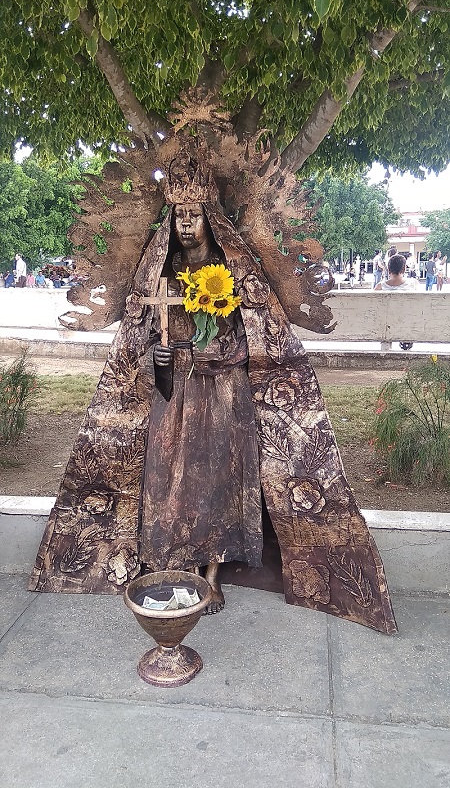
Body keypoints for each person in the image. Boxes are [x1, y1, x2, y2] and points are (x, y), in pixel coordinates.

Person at [28, 162, 397, 634]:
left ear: (210, 217)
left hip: (224, 394)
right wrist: (160, 359)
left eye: (194, 214)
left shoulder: (234, 273)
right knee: (167, 478)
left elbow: (261, 338)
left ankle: (212, 575)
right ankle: (174, 562)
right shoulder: (160, 272)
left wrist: (219, 352)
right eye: (178, 214)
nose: (186, 223)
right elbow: (139, 343)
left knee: (219, 479)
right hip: (175, 396)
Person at [374, 252, 417, 350]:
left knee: (385, 323)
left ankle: (385, 348)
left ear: (389, 269)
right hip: (406, 326)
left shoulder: (380, 287)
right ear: (404, 269)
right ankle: (406, 348)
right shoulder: (413, 284)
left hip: (385, 327)